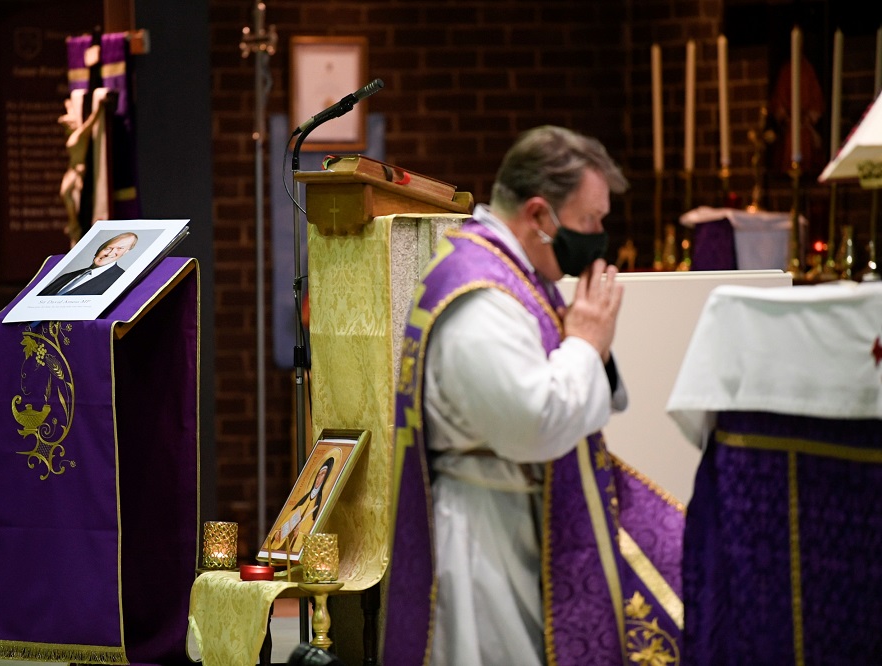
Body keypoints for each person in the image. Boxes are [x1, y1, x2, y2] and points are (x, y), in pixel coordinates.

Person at [384, 126, 684, 665]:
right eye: (591, 220)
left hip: (512, 513)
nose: (599, 234)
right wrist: (587, 344)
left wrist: (588, 347)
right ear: (541, 215)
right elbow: (533, 423)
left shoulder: (511, 273)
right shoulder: (479, 297)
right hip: (483, 538)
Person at [268, 455, 335, 553]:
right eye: (318, 474)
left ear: (326, 477)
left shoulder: (319, 504)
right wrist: (278, 532)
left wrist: (299, 532)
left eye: (323, 475)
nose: (318, 478)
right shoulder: (303, 501)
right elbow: (287, 520)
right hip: (287, 551)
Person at [39, 231, 138, 296]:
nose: (110, 254)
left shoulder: (121, 280)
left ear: (126, 252)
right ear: (100, 249)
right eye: (108, 248)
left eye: (119, 249)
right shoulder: (67, 276)